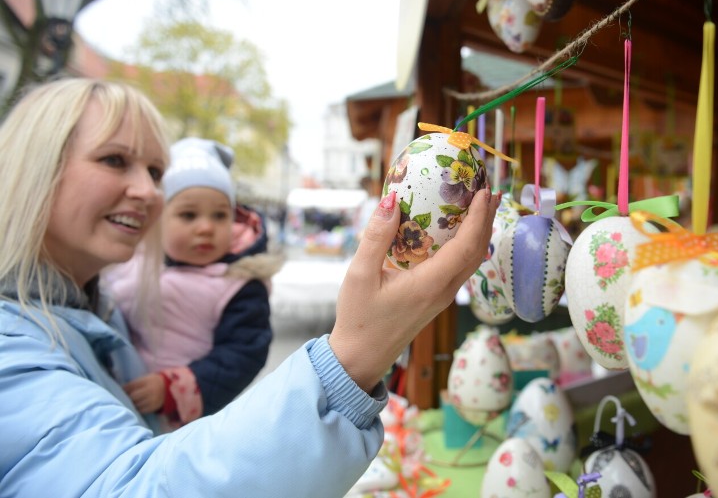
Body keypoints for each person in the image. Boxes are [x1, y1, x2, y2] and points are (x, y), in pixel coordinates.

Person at [0, 78, 499, 497]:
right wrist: (354, 356)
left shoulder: (91, 311)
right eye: (114, 160)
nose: (150, 190)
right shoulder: (13, 347)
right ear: (34, 166)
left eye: (155, 171)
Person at [103, 137, 282, 430]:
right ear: (157, 219)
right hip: (118, 409)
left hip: (187, 424)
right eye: (188, 215)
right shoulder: (128, 262)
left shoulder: (238, 284)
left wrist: (173, 389)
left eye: (220, 215)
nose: (206, 227)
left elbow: (243, 354)